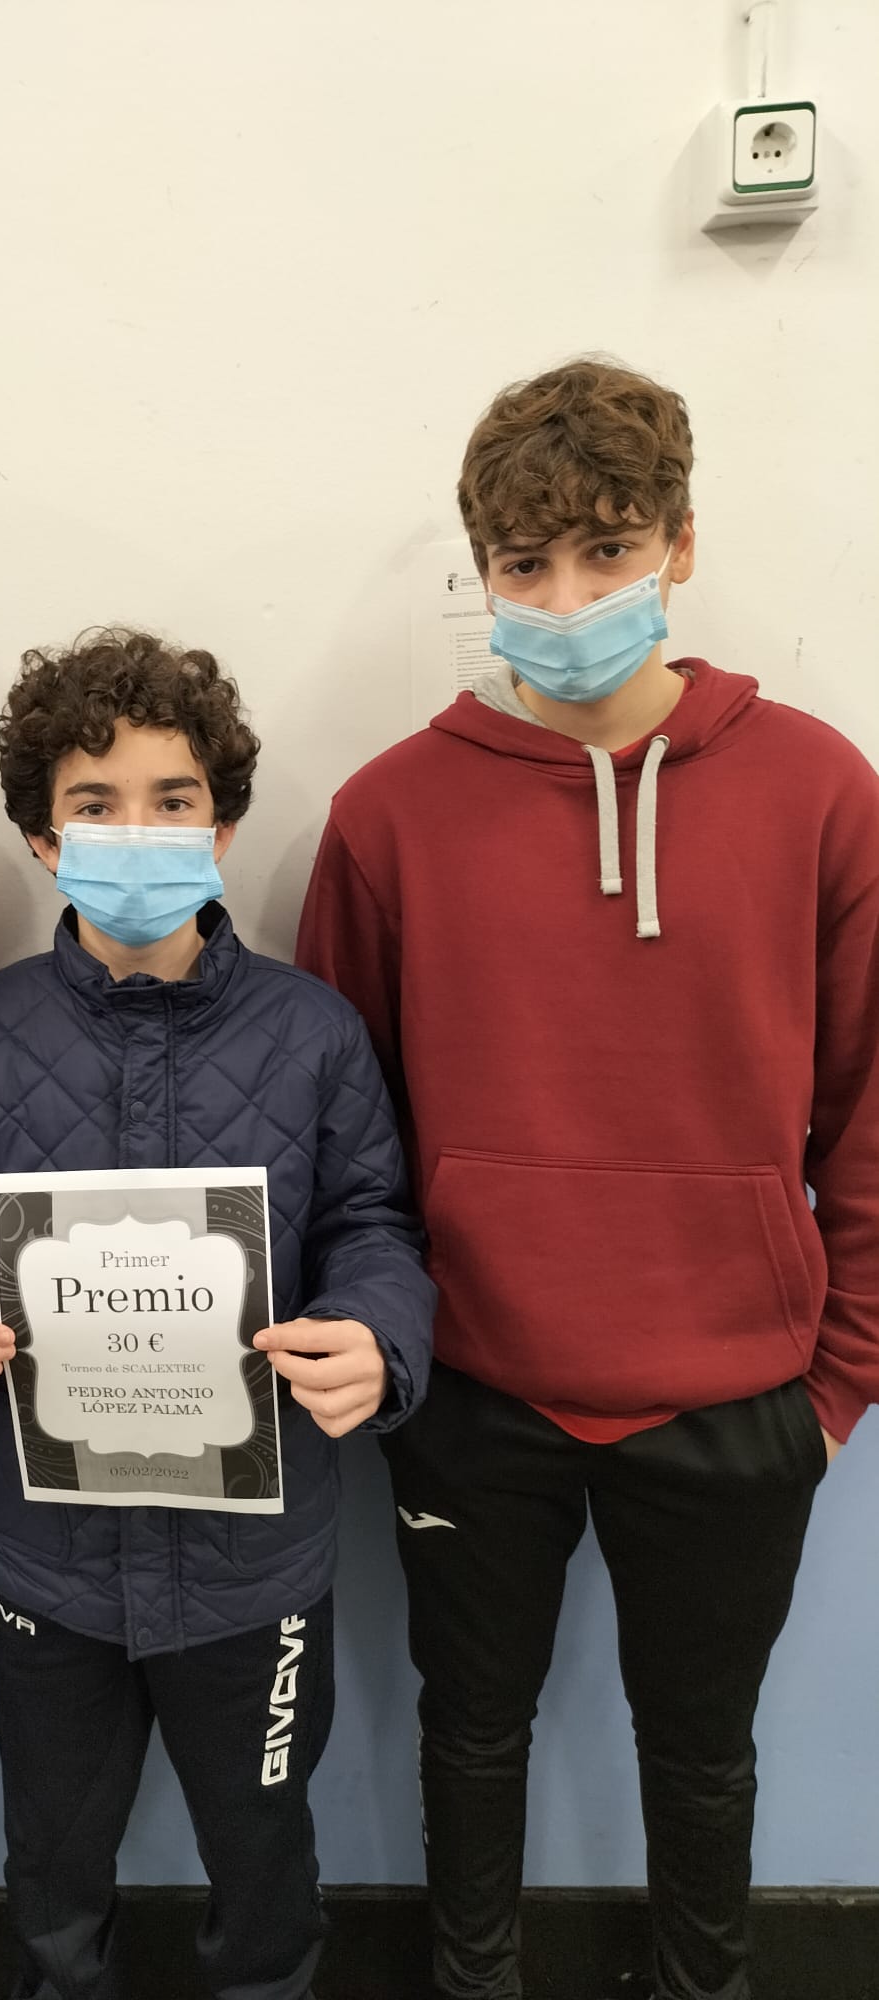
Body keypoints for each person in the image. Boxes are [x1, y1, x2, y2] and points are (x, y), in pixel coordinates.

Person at [297, 356, 879, 2000]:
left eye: (608, 552)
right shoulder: (390, 815)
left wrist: (838, 1383)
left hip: (741, 1392)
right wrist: (391, 1341)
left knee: (704, 1749)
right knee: (469, 1733)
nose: (566, 602)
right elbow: (344, 1130)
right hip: (474, 1389)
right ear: (484, 573)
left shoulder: (822, 790)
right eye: (526, 565)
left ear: (681, 544)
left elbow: (868, 1110)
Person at [0, 628, 434, 2000]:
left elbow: (372, 1223)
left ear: (223, 826)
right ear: (40, 837)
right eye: (94, 801)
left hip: (259, 1559)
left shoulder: (315, 1032)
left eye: (173, 800)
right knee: (52, 1859)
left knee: (265, 1854)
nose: (137, 830)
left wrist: (378, 1337)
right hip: (41, 1552)